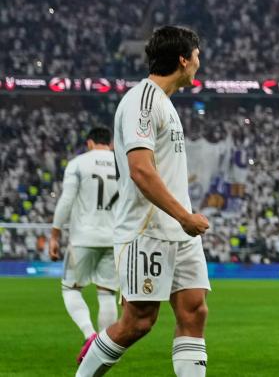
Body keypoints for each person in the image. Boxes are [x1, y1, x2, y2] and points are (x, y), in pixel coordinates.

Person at [76, 26, 211, 377]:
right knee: (138, 322)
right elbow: (141, 171)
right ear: (183, 60)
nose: (200, 63)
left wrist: (183, 221)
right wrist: (185, 216)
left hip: (179, 232)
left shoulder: (164, 104)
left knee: (194, 311)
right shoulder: (143, 101)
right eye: (197, 55)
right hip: (146, 230)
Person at [50, 126, 120, 347]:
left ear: (89, 143)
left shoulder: (78, 163)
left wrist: (55, 234)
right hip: (114, 238)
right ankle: (105, 346)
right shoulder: (123, 165)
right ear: (109, 143)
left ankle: (89, 334)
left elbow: (67, 200)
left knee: (70, 288)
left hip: (83, 238)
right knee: (107, 293)